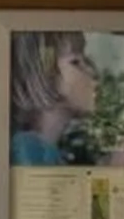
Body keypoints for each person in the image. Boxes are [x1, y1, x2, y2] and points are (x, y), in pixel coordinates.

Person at [7, 30, 101, 165]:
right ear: (47, 73)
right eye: (75, 62)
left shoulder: (52, 152)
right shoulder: (28, 149)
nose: (92, 72)